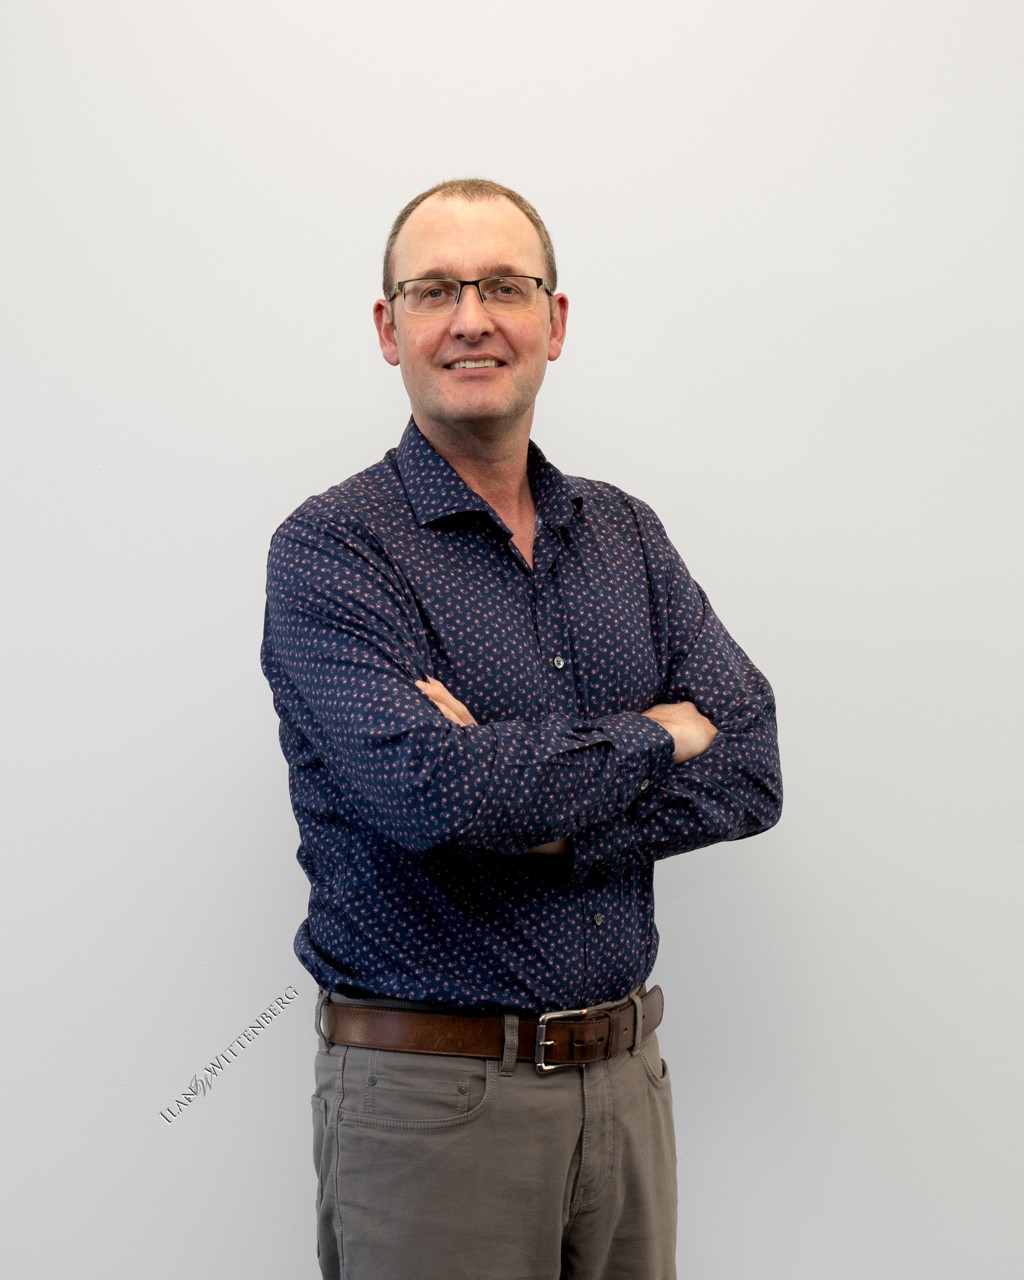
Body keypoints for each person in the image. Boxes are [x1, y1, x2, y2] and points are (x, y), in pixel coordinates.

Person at [261, 178, 782, 1280]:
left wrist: (539, 816)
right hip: (433, 1104)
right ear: (388, 327)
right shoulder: (332, 549)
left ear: (554, 319)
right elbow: (430, 793)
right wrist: (655, 735)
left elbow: (750, 761)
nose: (471, 318)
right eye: (435, 290)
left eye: (504, 285)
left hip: (628, 1085)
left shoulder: (626, 534)